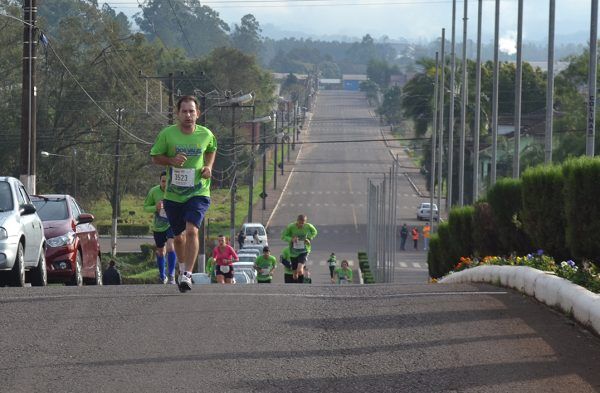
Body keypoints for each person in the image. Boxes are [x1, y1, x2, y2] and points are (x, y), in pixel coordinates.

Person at [150, 95, 217, 293]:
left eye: (192, 111)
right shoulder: (167, 134)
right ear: (178, 114)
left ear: (198, 113)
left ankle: (187, 274)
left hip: (199, 191)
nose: (188, 115)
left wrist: (208, 166)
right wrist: (171, 160)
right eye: (184, 111)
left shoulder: (206, 134)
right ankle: (180, 268)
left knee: (192, 231)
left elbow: (212, 149)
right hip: (173, 194)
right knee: (178, 238)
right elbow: (155, 157)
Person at [143, 171, 177, 284]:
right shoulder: (153, 191)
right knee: (160, 251)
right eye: (163, 181)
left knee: (171, 247)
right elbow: (146, 207)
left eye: (167, 181)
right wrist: (155, 207)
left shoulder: (175, 191)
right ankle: (162, 276)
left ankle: (171, 275)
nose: (165, 184)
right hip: (158, 226)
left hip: (172, 223)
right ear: (159, 181)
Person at [281, 214, 318, 284]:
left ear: (305, 222)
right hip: (293, 252)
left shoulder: (308, 226)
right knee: (295, 274)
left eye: (303, 223)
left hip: (304, 251)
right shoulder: (291, 227)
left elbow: (315, 232)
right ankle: (295, 285)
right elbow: (283, 236)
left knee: (300, 270)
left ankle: (301, 286)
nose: (301, 225)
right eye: (300, 223)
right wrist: (291, 239)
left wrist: (309, 238)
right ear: (297, 221)